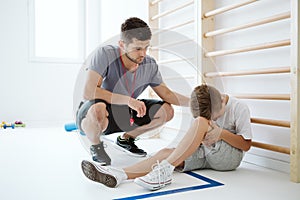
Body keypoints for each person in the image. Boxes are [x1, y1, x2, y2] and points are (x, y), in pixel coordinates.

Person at [80, 84, 253, 190]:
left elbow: (246, 145)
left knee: (200, 122)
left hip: (228, 159)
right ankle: (119, 175)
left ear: (222, 100)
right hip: (205, 154)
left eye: (214, 117)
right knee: (165, 153)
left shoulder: (239, 108)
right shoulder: (208, 104)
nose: (212, 120)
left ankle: (165, 171)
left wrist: (221, 133)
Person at [76, 17, 190, 165]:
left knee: (166, 111)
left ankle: (126, 139)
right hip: (95, 113)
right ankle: (96, 146)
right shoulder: (105, 54)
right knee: (98, 109)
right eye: (138, 48)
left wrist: (194, 102)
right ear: (122, 45)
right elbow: (89, 92)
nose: (143, 53)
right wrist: (128, 100)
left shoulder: (149, 64)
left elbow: (167, 94)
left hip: (125, 112)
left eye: (146, 48)